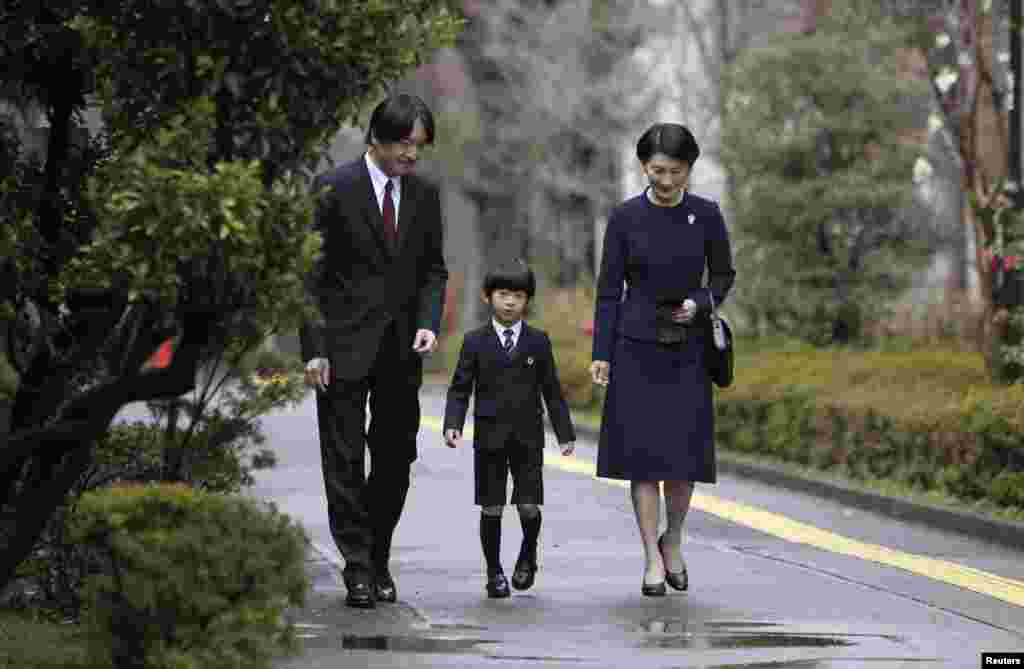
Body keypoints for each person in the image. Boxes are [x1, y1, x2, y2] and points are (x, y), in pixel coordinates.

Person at [300, 93, 448, 609]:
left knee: (395, 458)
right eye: (404, 144)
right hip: (340, 346)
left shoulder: (426, 195)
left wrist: (430, 322)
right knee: (342, 459)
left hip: (400, 348)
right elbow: (310, 277)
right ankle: (358, 567)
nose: (412, 155)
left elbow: (434, 268)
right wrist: (314, 349)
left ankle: (379, 553)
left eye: (419, 147)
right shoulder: (333, 189)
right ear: (377, 140)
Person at [589, 123, 735, 597]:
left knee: (683, 459)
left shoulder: (707, 215)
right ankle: (651, 554)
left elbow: (723, 275)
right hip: (636, 345)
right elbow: (609, 290)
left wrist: (701, 303)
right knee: (644, 460)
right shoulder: (625, 217)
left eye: (675, 171)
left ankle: (674, 537)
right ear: (644, 168)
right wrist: (601, 354)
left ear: (689, 169)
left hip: (687, 345)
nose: (666, 180)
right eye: (656, 170)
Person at [442, 260, 576, 598]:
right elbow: (460, 388)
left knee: (529, 505)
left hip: (528, 439)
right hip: (488, 439)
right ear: (488, 297)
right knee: (492, 507)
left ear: (527, 300)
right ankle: (494, 572)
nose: (510, 302)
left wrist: (565, 434)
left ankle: (528, 554)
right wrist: (453, 424)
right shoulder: (474, 342)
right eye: (503, 294)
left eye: (518, 295)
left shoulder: (538, 342)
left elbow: (552, 390)